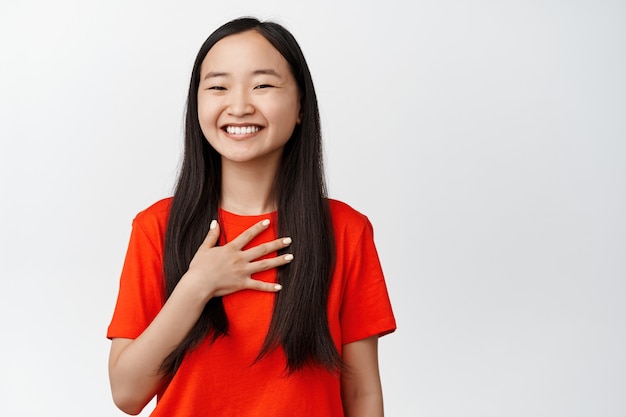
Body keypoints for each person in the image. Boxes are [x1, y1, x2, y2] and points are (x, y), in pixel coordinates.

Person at [107, 17, 396, 417]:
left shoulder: (346, 231)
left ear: (299, 107)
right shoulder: (156, 227)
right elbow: (127, 393)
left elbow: (362, 394)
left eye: (262, 85)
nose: (239, 105)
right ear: (197, 105)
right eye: (218, 86)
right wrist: (197, 286)